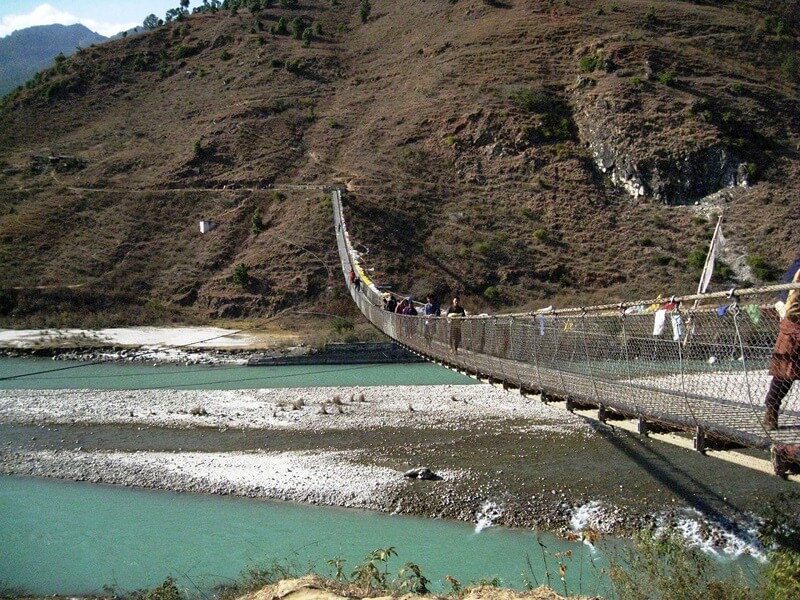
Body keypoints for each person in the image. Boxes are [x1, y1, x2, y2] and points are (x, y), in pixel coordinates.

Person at [764, 261, 800, 430]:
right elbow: (790, 303)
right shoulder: (797, 268)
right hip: (794, 325)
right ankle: (771, 407)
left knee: (785, 373)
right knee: (785, 373)